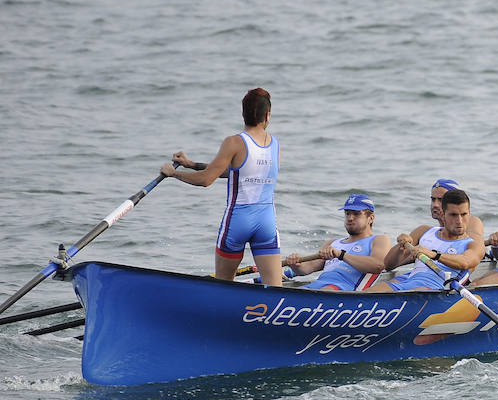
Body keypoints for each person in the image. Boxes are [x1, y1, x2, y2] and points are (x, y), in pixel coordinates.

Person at [161, 87, 284, 286]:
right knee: (275, 289)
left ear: (243, 114)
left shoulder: (234, 142)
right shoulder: (275, 145)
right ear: (267, 115)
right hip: (266, 223)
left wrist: (174, 174)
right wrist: (192, 165)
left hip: (238, 222)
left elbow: (206, 180)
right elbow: (239, 172)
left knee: (223, 287)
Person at [367, 188, 483, 291]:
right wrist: (400, 247)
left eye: (464, 214)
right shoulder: (424, 231)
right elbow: (388, 265)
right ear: (443, 215)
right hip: (407, 283)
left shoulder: (472, 245)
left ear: (469, 214)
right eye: (453, 215)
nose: (459, 221)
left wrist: (433, 254)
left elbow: (465, 262)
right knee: (370, 292)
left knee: (416, 292)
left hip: (434, 290)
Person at [284, 193, 393, 290]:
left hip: (345, 290)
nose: (350, 218)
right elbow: (306, 269)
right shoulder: (332, 243)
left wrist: (341, 255)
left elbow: (378, 266)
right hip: (318, 286)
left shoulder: (379, 240)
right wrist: (296, 265)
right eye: (347, 213)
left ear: (371, 218)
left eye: (356, 214)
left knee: (324, 291)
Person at [402, 179, 485, 251]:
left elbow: (473, 247)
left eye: (441, 200)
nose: (435, 205)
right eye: (433, 199)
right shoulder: (429, 231)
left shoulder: (473, 221)